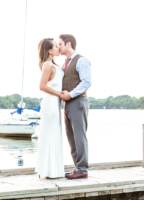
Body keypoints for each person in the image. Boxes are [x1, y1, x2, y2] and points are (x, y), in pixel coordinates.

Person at [59, 34, 91, 179]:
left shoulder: (81, 60)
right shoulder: (64, 63)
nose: (58, 47)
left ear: (68, 44)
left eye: (60, 44)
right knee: (71, 137)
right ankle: (77, 168)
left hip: (78, 102)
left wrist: (70, 94)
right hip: (68, 104)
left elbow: (86, 82)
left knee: (79, 136)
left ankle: (83, 169)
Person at [35, 38, 65, 178]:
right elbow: (42, 86)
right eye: (55, 46)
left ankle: (53, 170)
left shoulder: (55, 65)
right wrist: (59, 93)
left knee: (55, 134)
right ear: (49, 50)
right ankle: (49, 171)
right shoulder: (47, 65)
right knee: (50, 134)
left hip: (55, 103)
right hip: (50, 103)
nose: (58, 48)